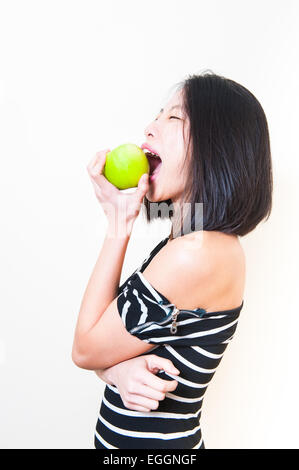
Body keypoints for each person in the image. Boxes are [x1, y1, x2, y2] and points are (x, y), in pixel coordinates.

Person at [72, 71, 273, 449]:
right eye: (158, 114)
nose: (150, 127)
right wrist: (117, 369)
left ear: (218, 146)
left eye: (174, 117)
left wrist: (119, 223)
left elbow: (85, 348)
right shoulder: (183, 244)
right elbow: (103, 340)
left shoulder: (200, 254)